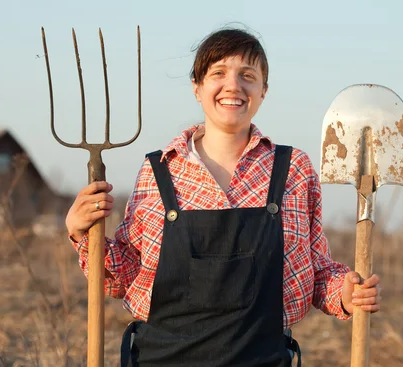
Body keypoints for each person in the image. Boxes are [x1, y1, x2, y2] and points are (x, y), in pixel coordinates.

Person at [65, 27, 381, 367]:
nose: (233, 85)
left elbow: (317, 272)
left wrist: (346, 294)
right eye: (218, 73)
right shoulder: (159, 170)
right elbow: (125, 275)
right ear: (197, 87)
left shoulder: (293, 170)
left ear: (263, 91)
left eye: (248, 75)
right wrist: (81, 232)